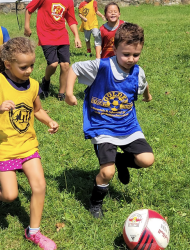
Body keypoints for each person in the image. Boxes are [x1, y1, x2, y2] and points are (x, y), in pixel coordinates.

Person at [0, 37, 59, 250]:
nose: (29, 70)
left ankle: (33, 232)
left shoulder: (33, 85)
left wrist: (49, 120)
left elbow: (37, 109)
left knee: (39, 186)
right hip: (3, 147)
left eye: (32, 65)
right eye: (24, 67)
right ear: (8, 64)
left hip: (27, 144)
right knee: (10, 195)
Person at [65, 23, 154, 218]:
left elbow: (144, 83)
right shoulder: (102, 66)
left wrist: (147, 95)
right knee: (107, 173)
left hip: (128, 124)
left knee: (147, 159)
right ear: (115, 48)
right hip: (102, 126)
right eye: (126, 54)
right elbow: (74, 68)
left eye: (136, 55)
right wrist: (69, 93)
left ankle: (121, 160)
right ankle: (95, 203)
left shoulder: (138, 72)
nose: (131, 59)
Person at [24, 0, 82, 101]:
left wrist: (76, 36)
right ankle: (46, 81)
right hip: (46, 35)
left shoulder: (69, 1)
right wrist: (27, 26)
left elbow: (71, 19)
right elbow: (29, 9)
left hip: (62, 35)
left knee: (65, 65)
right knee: (53, 64)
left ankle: (61, 93)